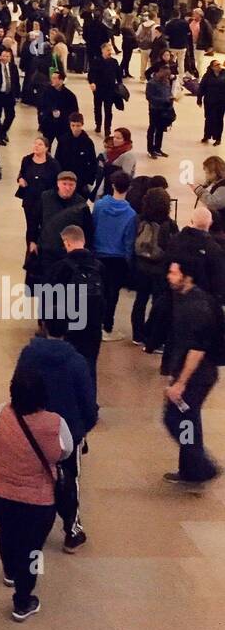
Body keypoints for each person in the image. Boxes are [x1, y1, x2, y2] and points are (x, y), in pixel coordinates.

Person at [0, 367, 72, 621]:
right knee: (32, 549)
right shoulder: (56, 423)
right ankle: (23, 600)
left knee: (7, 532)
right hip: (37, 502)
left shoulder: (1, 414)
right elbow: (63, 453)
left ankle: (9, 571)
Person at [16, 312, 98, 552]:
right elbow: (88, 403)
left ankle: (29, 528)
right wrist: (82, 430)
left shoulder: (28, 355)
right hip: (67, 433)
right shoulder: (77, 361)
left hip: (32, 428)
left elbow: (18, 388)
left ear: (43, 325)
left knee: (31, 477)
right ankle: (72, 531)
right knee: (68, 480)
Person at [161, 255, 222, 485]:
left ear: (187, 276)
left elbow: (197, 349)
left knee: (174, 419)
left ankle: (202, 465)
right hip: (197, 373)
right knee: (189, 419)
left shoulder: (196, 307)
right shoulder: (187, 298)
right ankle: (190, 470)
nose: (170, 276)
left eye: (174, 273)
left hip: (197, 376)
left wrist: (180, 383)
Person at [46, 225, 105, 390]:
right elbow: (107, 296)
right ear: (84, 241)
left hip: (70, 324)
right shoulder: (99, 267)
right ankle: (90, 405)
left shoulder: (60, 267)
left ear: (67, 242)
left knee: (67, 366)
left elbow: (50, 298)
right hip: (93, 326)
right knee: (90, 365)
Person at [130, 186, 178, 350]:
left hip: (141, 266)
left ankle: (137, 335)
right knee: (157, 303)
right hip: (159, 269)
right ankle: (152, 335)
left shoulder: (139, 220)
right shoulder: (169, 224)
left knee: (140, 300)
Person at [91, 169, 136, 338]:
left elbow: (93, 226)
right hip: (118, 259)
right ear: (129, 188)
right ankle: (107, 328)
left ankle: (93, 324)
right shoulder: (131, 214)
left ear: (112, 185)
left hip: (98, 254)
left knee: (98, 291)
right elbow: (129, 241)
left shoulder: (100, 205)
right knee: (112, 294)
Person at [88, 41, 124, 137]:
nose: (110, 52)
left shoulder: (114, 62)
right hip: (98, 89)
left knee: (108, 110)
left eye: (110, 50)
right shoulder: (96, 61)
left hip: (110, 89)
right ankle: (98, 125)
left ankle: (107, 128)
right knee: (97, 108)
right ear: (102, 50)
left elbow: (119, 75)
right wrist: (92, 83)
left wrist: (120, 85)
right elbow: (91, 74)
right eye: (108, 50)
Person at [145, 66, 174, 159]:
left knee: (161, 129)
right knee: (152, 128)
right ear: (160, 72)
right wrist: (164, 100)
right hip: (154, 109)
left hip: (164, 109)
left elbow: (168, 92)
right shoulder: (151, 83)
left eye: (168, 75)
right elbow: (149, 97)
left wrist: (170, 98)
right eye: (165, 75)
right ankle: (150, 149)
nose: (167, 77)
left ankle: (158, 148)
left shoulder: (166, 81)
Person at [197, 59, 225, 144]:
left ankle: (218, 138)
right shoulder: (207, 75)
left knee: (219, 119)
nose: (219, 66)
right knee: (208, 118)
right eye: (216, 65)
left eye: (219, 64)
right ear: (212, 67)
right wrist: (199, 98)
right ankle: (207, 135)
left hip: (221, 101)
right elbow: (202, 87)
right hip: (209, 101)